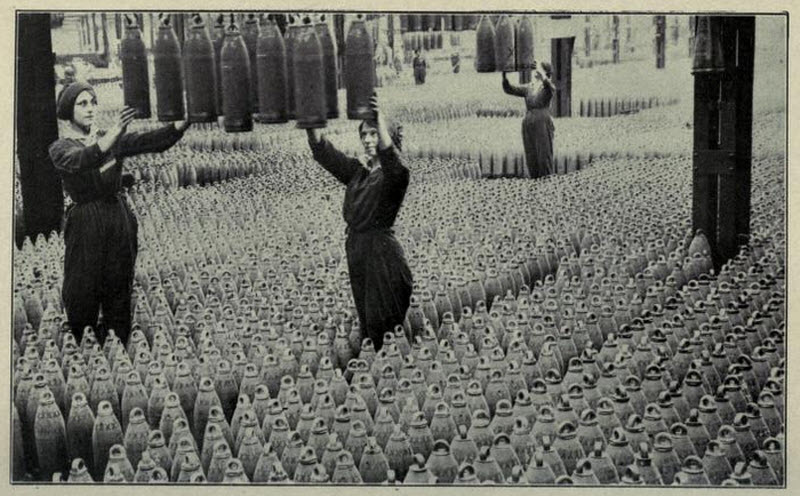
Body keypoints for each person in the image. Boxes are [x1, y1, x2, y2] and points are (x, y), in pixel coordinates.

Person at [48, 82, 191, 346]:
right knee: (81, 288)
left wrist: (180, 125)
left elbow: (148, 142)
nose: (90, 108)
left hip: (118, 216)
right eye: (82, 103)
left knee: (119, 283)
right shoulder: (60, 147)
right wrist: (113, 134)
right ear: (69, 111)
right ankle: (84, 344)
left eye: (93, 102)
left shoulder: (108, 137)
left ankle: (118, 344)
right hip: (85, 221)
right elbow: (82, 160)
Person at [306, 93, 413, 352]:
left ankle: (391, 379)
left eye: (374, 134)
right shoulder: (358, 174)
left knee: (382, 328)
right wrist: (310, 122)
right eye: (364, 134)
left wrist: (379, 117)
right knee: (368, 324)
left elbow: (394, 164)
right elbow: (326, 153)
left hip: (382, 258)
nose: (367, 140)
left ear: (387, 137)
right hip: (358, 252)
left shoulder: (394, 177)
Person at [502, 61, 556, 178]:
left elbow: (550, 87)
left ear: (546, 72)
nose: (535, 71)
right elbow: (510, 89)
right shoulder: (530, 87)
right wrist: (504, 76)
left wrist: (543, 76)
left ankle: (547, 181)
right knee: (531, 154)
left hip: (542, 121)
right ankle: (534, 180)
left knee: (544, 154)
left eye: (539, 69)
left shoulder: (547, 87)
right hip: (529, 122)